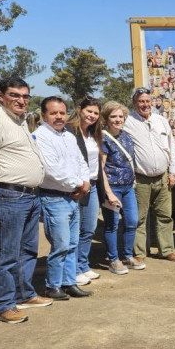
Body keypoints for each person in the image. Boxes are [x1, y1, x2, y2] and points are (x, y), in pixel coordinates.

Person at [0, 77, 52, 323]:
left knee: (27, 250)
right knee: (6, 254)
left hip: (28, 195)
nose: (21, 100)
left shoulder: (19, 121)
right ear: (0, 95)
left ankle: (23, 293)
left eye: (25, 96)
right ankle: (4, 305)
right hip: (9, 195)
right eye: (14, 95)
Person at [34, 96, 93, 300]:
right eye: (53, 113)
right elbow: (52, 170)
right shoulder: (40, 137)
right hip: (54, 198)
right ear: (43, 115)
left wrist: (84, 183)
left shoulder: (68, 135)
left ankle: (69, 282)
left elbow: (81, 162)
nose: (59, 117)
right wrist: (79, 184)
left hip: (73, 197)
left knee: (72, 243)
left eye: (62, 112)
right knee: (60, 245)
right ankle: (53, 286)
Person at [124, 87, 175, 264]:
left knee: (165, 216)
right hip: (140, 178)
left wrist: (173, 172)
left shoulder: (160, 121)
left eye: (147, 101)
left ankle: (166, 250)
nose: (145, 104)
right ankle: (140, 252)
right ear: (134, 103)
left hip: (163, 177)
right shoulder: (128, 122)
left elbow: (171, 146)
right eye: (141, 101)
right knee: (140, 218)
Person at [100, 101, 141, 274]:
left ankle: (127, 255)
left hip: (128, 187)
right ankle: (114, 259)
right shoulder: (102, 138)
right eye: (113, 116)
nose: (117, 119)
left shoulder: (126, 136)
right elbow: (101, 167)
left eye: (120, 116)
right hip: (113, 188)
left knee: (132, 221)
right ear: (106, 118)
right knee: (112, 225)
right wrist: (108, 192)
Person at [67, 97, 103, 285]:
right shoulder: (68, 131)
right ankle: (72, 270)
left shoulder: (93, 133)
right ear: (80, 109)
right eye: (89, 111)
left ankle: (82, 265)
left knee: (89, 228)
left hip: (93, 185)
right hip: (77, 187)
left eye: (96, 113)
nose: (92, 116)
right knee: (76, 230)